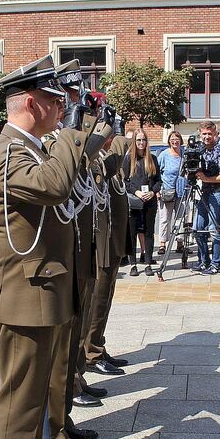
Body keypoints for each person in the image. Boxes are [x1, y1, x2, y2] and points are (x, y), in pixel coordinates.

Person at [0, 55, 113, 439]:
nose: (63, 107)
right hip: (22, 290)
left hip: (41, 287)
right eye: (57, 101)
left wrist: (90, 131)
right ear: (33, 103)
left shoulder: (32, 149)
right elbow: (56, 186)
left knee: (33, 394)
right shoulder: (9, 153)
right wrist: (75, 133)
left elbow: (67, 173)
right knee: (19, 394)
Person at [44, 62, 101, 439]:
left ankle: (63, 421)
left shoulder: (62, 137)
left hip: (75, 249)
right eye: (68, 97)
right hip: (55, 258)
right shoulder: (45, 143)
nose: (72, 103)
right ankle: (55, 427)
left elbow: (92, 153)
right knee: (57, 353)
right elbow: (59, 182)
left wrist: (100, 122)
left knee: (69, 346)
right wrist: (72, 127)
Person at [85, 131, 130, 376]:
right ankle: (90, 352)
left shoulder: (103, 159)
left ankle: (98, 345)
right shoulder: (93, 160)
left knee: (106, 297)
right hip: (100, 241)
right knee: (97, 299)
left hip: (111, 240)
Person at [191, 120, 220, 275]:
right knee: (197, 228)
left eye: (210, 133)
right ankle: (203, 261)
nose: (207, 136)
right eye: (204, 134)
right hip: (204, 193)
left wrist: (207, 179)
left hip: (218, 192)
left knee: (214, 230)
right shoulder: (199, 150)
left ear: (215, 134)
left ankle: (216, 263)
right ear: (200, 134)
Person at [123, 128, 160, 276]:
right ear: (134, 142)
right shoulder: (128, 160)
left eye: (143, 140)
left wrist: (152, 192)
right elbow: (125, 182)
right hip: (134, 202)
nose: (141, 143)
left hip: (149, 202)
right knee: (132, 233)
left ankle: (148, 263)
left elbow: (158, 181)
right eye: (138, 140)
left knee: (148, 232)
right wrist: (136, 192)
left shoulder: (152, 159)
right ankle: (133, 265)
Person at [156, 131, 182, 255]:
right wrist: (157, 189)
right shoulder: (164, 155)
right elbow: (156, 172)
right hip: (166, 190)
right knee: (165, 218)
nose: (175, 141)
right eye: (172, 139)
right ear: (169, 141)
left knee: (181, 218)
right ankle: (162, 243)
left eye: (177, 139)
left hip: (182, 191)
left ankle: (180, 242)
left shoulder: (184, 154)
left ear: (181, 141)